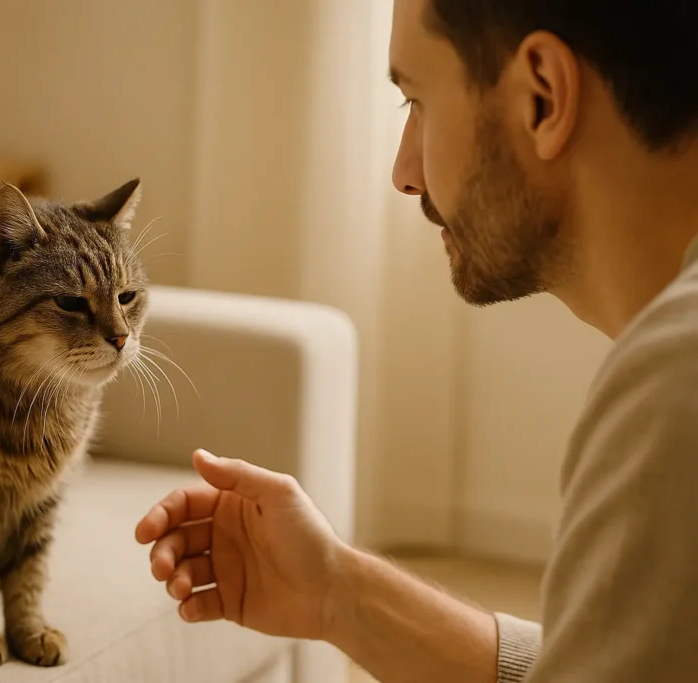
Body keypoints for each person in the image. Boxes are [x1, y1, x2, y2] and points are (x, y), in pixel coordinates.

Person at [135, 0, 698, 681]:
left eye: (417, 102)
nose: (405, 171)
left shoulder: (676, 386)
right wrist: (338, 594)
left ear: (542, 97)